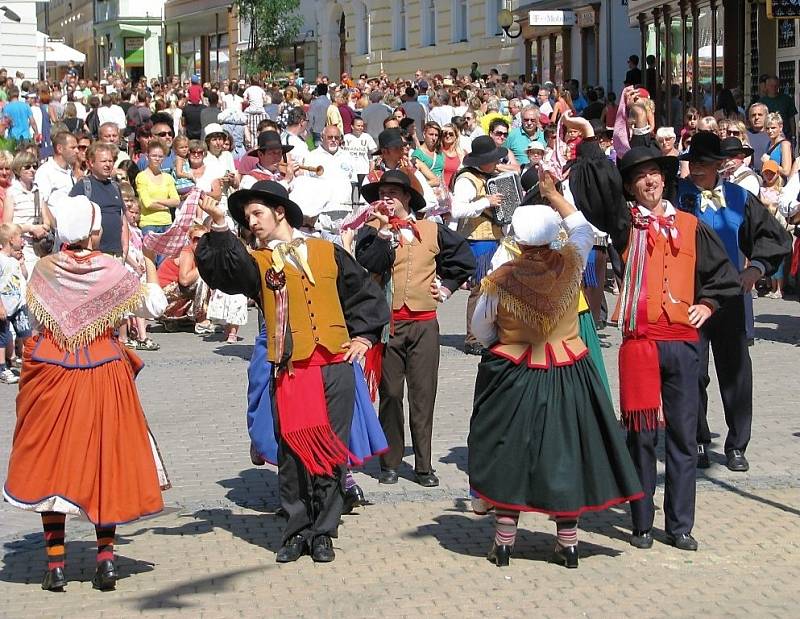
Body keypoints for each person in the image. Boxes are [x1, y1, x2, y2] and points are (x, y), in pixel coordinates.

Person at [195, 181, 390, 563]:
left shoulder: (326, 251)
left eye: (257, 214)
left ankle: (323, 533)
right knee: (293, 453)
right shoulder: (260, 262)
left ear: (279, 211)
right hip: (291, 370)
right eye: (247, 218)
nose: (251, 223)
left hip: (334, 367)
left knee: (333, 451)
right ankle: (296, 530)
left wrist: (364, 338)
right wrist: (219, 224)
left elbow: (363, 293)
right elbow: (225, 271)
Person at [468, 178, 642, 569]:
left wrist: (510, 335)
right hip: (569, 370)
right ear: (552, 234)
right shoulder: (573, 260)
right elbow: (582, 227)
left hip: (515, 374)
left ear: (517, 237)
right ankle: (568, 543)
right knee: (567, 451)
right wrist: (554, 195)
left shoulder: (500, 277)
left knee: (508, 449)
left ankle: (504, 541)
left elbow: (481, 329)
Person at [2, 195, 169, 592]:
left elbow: (33, 312)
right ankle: (106, 561)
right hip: (103, 370)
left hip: (53, 372)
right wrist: (147, 266)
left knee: (51, 462)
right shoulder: (111, 270)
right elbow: (156, 307)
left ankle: (55, 565)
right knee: (103, 460)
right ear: (92, 231)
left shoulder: (44, 270)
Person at [582, 145, 740, 552]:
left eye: (653, 173)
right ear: (631, 187)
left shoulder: (689, 225)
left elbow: (722, 274)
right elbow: (595, 185)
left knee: (684, 437)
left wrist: (707, 304)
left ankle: (680, 525)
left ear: (665, 178)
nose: (648, 181)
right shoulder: (624, 225)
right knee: (642, 436)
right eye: (639, 177)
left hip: (684, 344)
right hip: (641, 344)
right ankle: (641, 522)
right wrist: (593, 142)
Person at [675, 132, 791, 472]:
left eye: (704, 164)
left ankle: (737, 445)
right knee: (692, 373)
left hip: (728, 297)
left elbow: (774, 236)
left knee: (736, 372)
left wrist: (755, 269)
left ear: (719, 166)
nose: (697, 170)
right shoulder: (675, 197)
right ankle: (696, 439)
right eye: (693, 163)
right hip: (687, 298)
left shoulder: (740, 198)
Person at [356, 170, 474, 486]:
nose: (388, 199)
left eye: (394, 192)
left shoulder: (431, 229)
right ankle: (390, 463)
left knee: (423, 395)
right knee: (391, 394)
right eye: (383, 193)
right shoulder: (370, 231)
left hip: (424, 324)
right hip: (389, 326)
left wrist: (447, 287)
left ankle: (423, 465)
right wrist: (382, 231)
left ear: (408, 197)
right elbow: (369, 263)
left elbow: (464, 259)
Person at [450, 135, 506, 355]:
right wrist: (486, 202)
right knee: (479, 289)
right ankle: (473, 338)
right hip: (477, 240)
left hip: (494, 238)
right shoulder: (466, 179)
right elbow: (457, 210)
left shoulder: (491, 177)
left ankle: (491, 333)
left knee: (494, 289)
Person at [69, 143, 129, 259]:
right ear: (91, 163)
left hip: (116, 254)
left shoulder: (116, 187)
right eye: (103, 161)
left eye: (110, 161)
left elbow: (122, 218)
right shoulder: (83, 187)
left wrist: (125, 248)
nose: (108, 165)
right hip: (93, 255)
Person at [3, 151, 49, 276]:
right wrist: (30, 228)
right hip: (21, 248)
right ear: (18, 170)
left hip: (39, 247)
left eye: (35, 166)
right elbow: (6, 227)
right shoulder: (12, 193)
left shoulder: (39, 191)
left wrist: (43, 228)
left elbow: (47, 220)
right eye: (27, 167)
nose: (32, 170)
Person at [135, 139, 180, 249]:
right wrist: (167, 204)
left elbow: (176, 200)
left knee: (164, 261)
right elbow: (147, 204)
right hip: (149, 224)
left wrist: (157, 201)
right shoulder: (141, 176)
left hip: (167, 223)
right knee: (151, 259)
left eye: (160, 156)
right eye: (154, 155)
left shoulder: (168, 178)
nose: (157, 159)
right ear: (147, 156)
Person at [0, 223, 29, 384]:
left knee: (26, 334)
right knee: (3, 338)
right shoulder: (1, 260)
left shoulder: (15, 259)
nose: (23, 241)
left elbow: (24, 276)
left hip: (18, 305)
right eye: (20, 237)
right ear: (11, 240)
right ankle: (3, 367)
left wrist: (22, 263)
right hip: (4, 306)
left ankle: (30, 363)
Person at [342, 117, 377, 188]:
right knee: (349, 191)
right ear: (352, 126)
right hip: (349, 170)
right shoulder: (346, 138)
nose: (360, 128)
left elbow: (374, 154)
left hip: (363, 169)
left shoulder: (367, 137)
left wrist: (371, 168)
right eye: (358, 126)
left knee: (362, 192)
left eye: (362, 126)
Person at [759, 76, 797, 141]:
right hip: (767, 135)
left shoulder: (787, 100)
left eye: (775, 85)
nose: (773, 88)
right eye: (771, 85)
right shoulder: (761, 102)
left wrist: (793, 136)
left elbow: (792, 119)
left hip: (785, 135)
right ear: (767, 86)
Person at [763, 112, 793, 178]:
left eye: (773, 128)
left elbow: (786, 171)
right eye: (767, 128)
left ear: (780, 127)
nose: (770, 131)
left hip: (780, 184)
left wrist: (770, 163)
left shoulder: (784, 144)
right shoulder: (769, 144)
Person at [746, 103, 770, 172]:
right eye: (753, 115)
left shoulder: (774, 134)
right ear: (749, 118)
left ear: (766, 116)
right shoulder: (744, 134)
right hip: (750, 175)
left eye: (760, 114)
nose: (756, 118)